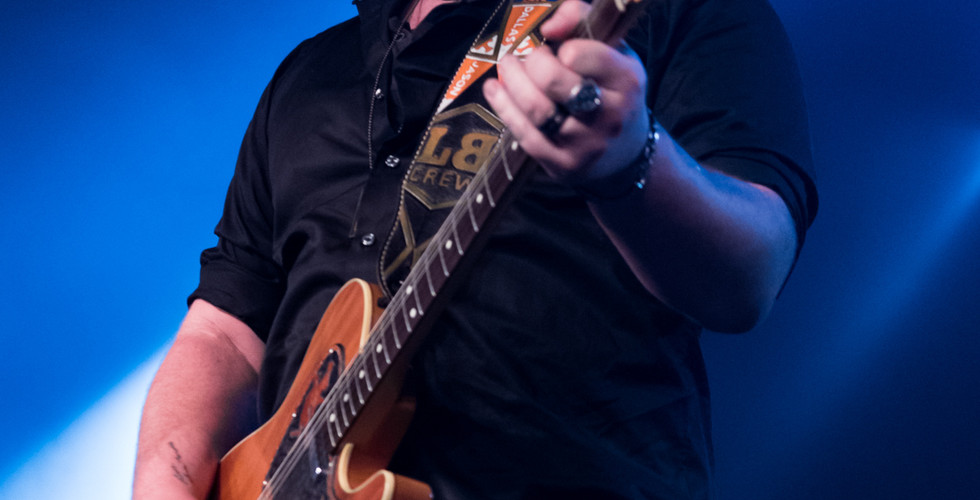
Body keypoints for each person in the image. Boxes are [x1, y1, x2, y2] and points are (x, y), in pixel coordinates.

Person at [133, 0, 817, 497]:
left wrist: (630, 163)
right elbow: (225, 331)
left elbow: (749, 275)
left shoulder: (663, 16)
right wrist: (166, 479)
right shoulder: (309, 74)